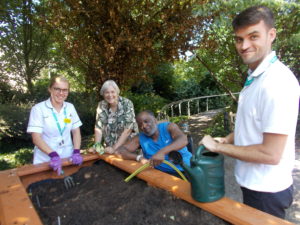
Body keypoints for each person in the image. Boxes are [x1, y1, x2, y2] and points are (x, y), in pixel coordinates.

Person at [200, 6, 299, 218]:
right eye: (238, 39)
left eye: (253, 36)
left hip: (266, 190)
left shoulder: (276, 82)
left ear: (271, 35)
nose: (244, 46)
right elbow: (252, 124)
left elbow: (270, 154)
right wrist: (227, 139)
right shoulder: (255, 77)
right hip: (254, 184)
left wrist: (217, 147)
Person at [27, 76, 83, 175]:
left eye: (65, 90)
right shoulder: (38, 109)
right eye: (57, 89)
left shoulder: (70, 107)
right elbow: (36, 138)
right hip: (46, 160)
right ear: (50, 89)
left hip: (67, 158)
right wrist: (53, 155)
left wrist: (76, 151)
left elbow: (76, 131)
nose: (61, 93)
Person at [116, 111, 192, 175]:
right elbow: (119, 151)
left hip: (187, 171)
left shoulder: (169, 127)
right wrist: (139, 158)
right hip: (161, 175)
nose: (144, 126)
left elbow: (183, 140)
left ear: (155, 120)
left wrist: (162, 152)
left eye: (146, 121)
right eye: (140, 125)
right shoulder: (140, 138)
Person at [90, 80, 138, 154]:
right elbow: (98, 127)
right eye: (107, 92)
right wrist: (97, 146)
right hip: (110, 148)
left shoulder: (127, 104)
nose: (110, 95)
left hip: (128, 147)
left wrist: (114, 148)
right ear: (103, 94)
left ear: (117, 92)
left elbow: (128, 129)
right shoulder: (101, 105)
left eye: (112, 92)